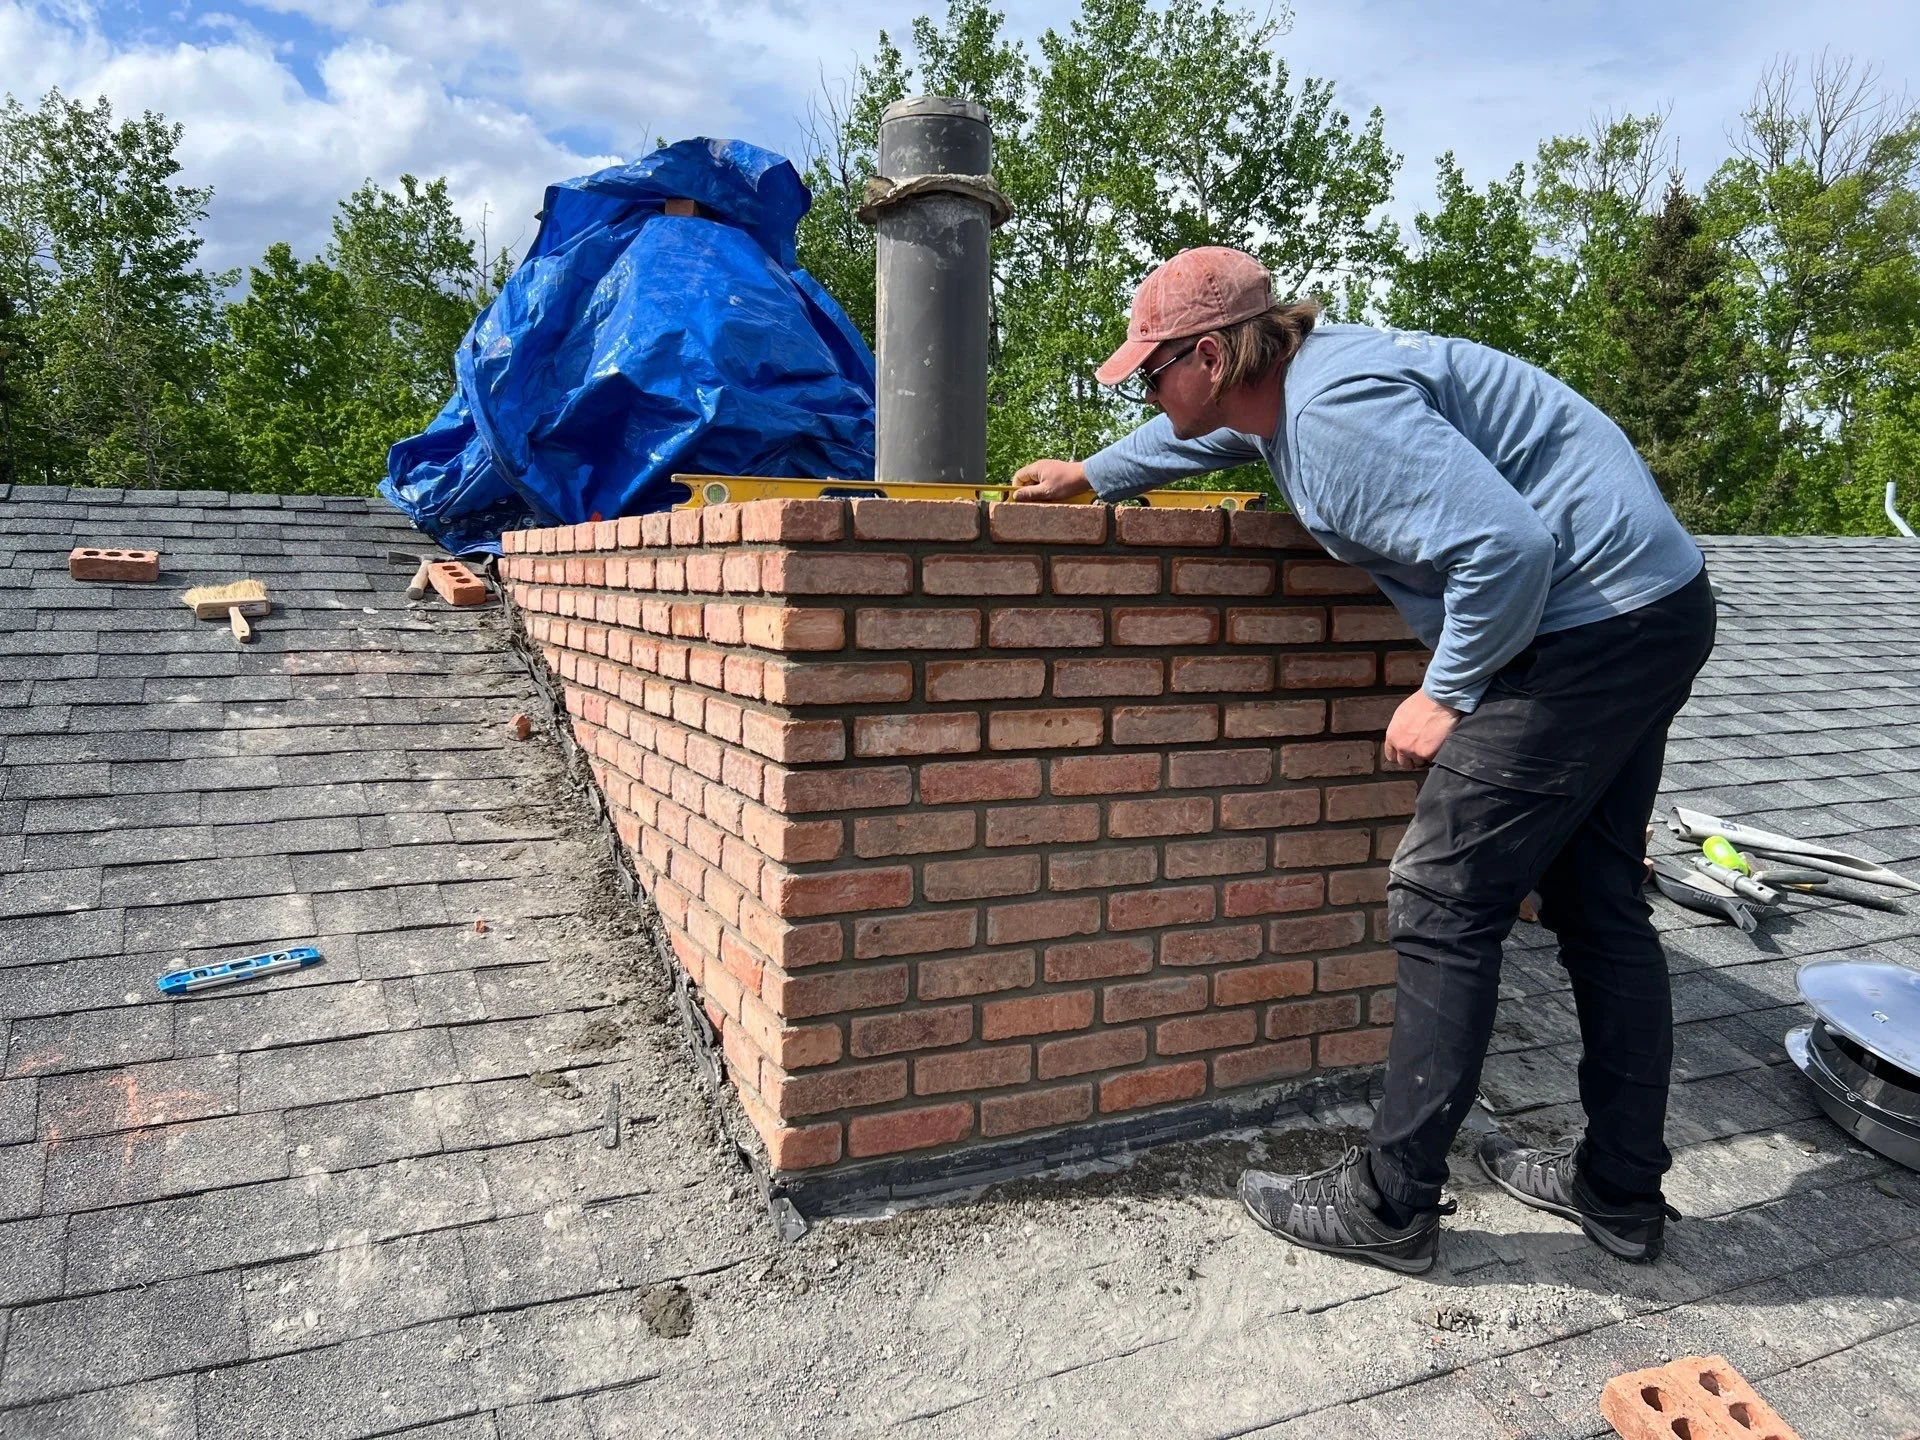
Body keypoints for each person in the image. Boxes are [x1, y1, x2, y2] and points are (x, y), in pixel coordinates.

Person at [1010, 246, 1715, 1274]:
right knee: (1597, 899)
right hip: (1651, 604)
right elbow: (1219, 439)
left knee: (1442, 897)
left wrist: (1447, 691)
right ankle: (1619, 1189)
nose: (1147, 392)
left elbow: (1507, 549)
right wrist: (1094, 474)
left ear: (1209, 356)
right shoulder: (1293, 385)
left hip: (1585, 628)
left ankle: (1391, 1203)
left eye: (1151, 374)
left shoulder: (1335, 414)